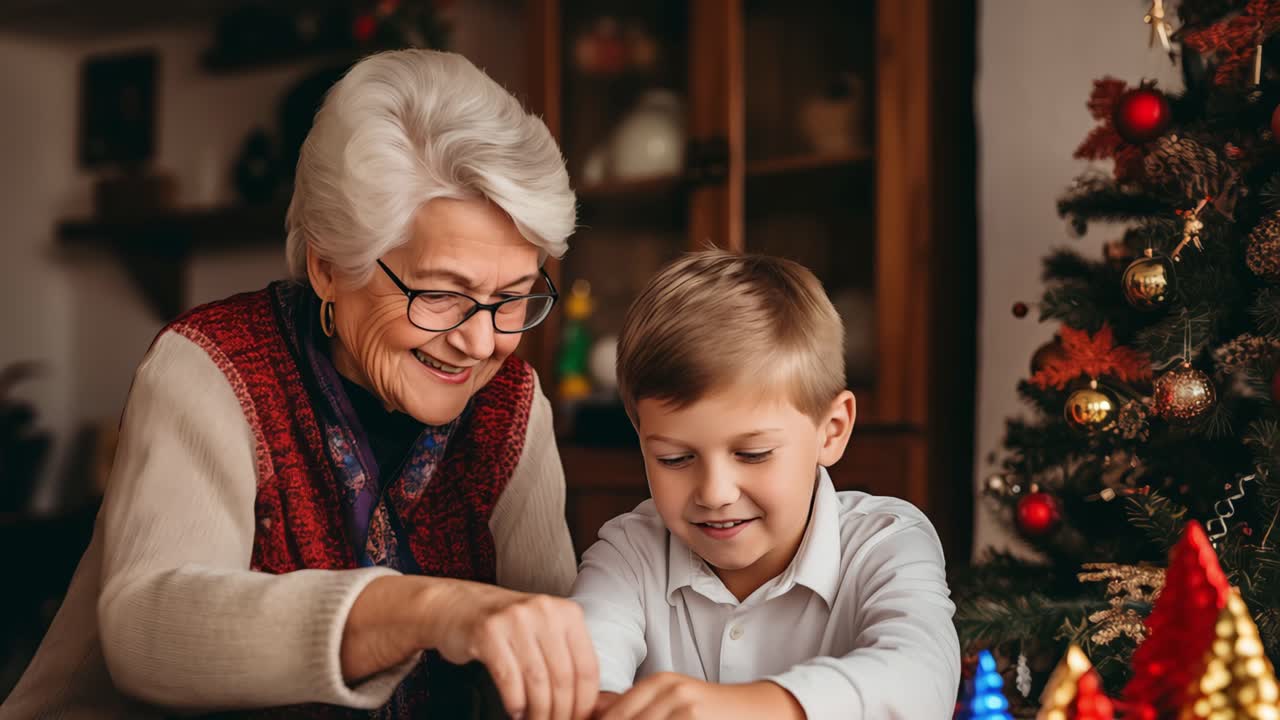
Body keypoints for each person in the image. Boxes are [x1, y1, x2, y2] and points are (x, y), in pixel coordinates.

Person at [1, 50, 600, 720]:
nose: (482, 341)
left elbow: (553, 636)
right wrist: (426, 607)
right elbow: (149, 629)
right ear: (328, 267)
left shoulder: (511, 403)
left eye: (513, 297)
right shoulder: (210, 364)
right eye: (440, 294)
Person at [571, 250, 961, 719]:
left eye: (752, 454)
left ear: (832, 430)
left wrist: (748, 708)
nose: (715, 493)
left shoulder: (887, 541)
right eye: (675, 458)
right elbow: (582, 676)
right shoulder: (627, 554)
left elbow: (921, 679)